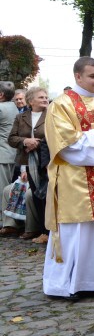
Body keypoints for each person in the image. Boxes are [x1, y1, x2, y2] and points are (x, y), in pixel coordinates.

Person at [42, 57, 94, 300]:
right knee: (76, 232)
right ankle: (70, 283)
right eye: (92, 76)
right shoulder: (61, 105)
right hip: (76, 179)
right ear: (78, 76)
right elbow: (62, 143)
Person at [7, 87, 49, 241]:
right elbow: (12, 138)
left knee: (47, 196)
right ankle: (42, 231)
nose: (45, 99)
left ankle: (49, 232)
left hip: (46, 161)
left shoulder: (52, 115)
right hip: (27, 161)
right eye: (41, 97)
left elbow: (56, 135)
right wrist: (25, 141)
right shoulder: (21, 117)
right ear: (31, 101)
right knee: (37, 195)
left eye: (46, 97)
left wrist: (38, 143)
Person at [0, 82, 19, 232]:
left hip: (3, 155)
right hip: (11, 154)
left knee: (2, 189)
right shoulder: (13, 106)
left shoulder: (1, 108)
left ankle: (7, 223)